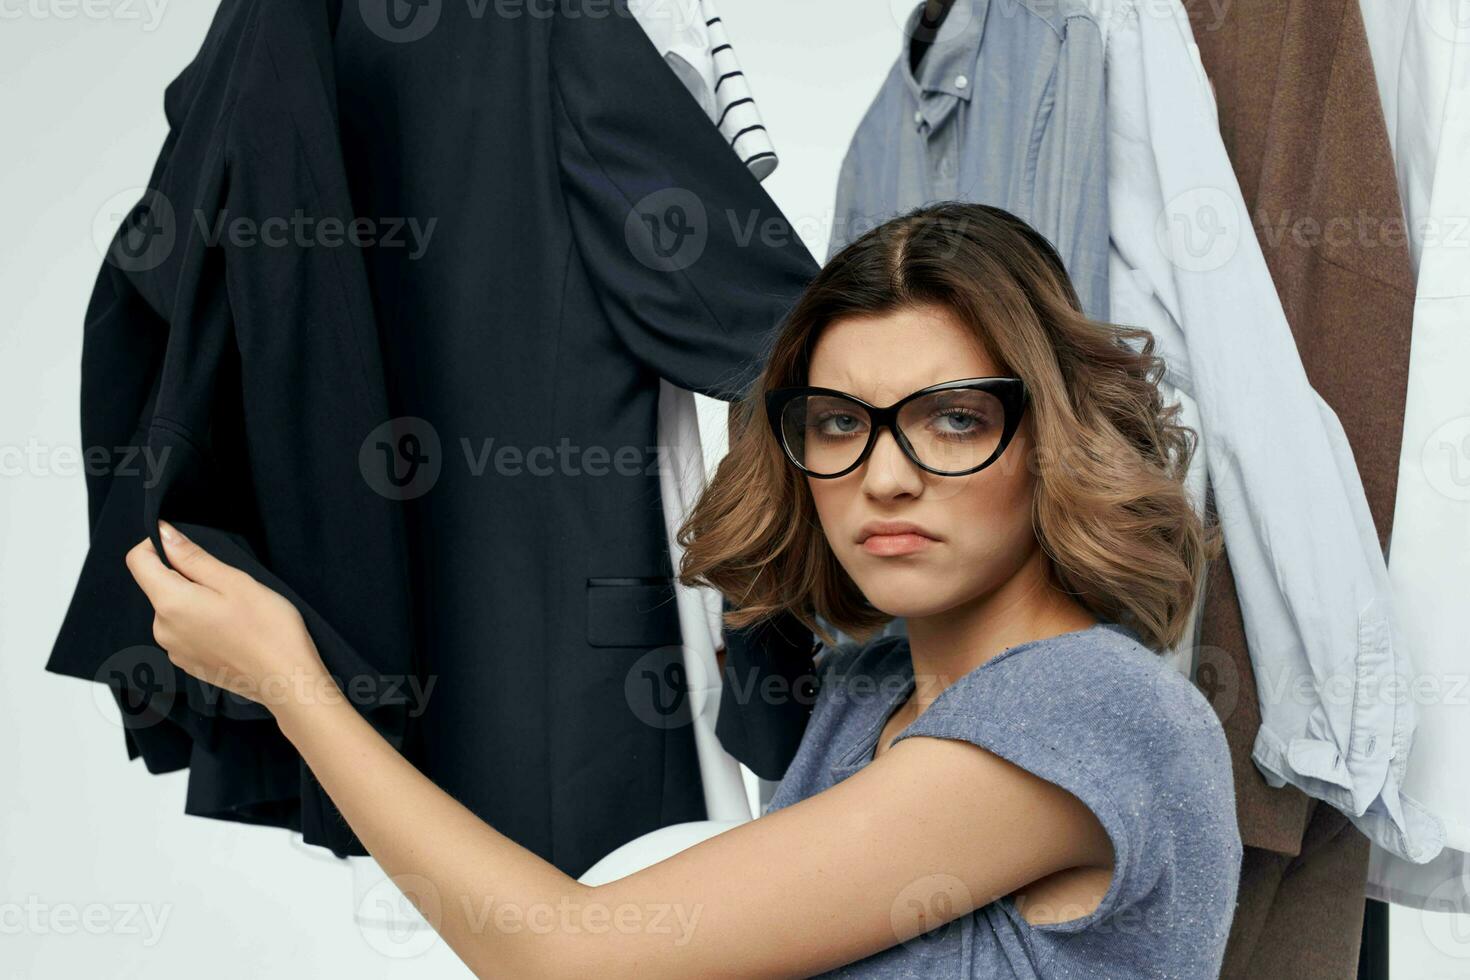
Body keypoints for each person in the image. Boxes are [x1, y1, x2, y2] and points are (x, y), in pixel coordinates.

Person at [125, 202, 1242, 978]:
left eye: (954, 418)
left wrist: (289, 682)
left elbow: (575, 953)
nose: (886, 474)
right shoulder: (868, 691)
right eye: (841, 424)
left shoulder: (1089, 705)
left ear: (1050, 440)